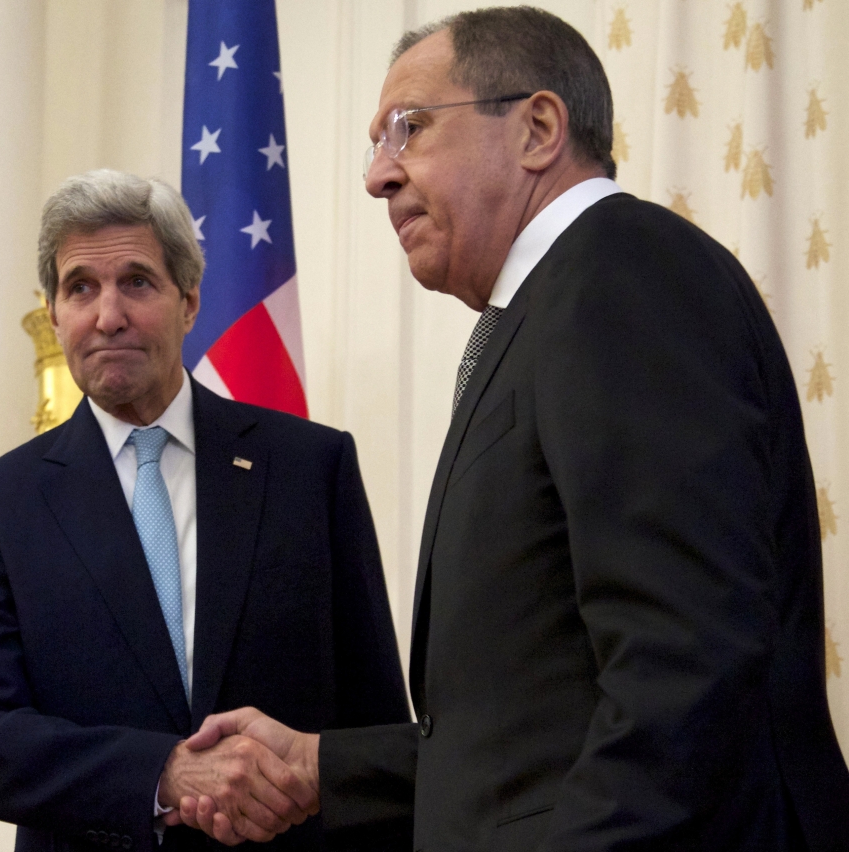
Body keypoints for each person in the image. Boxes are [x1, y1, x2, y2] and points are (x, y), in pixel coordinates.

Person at [169, 8, 849, 851]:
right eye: (377, 141)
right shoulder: (545, 310)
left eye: (407, 129)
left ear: (536, 128)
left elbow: (684, 665)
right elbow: (530, 736)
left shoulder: (622, 273)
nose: (378, 175)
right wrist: (320, 766)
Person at [0, 169, 411, 852]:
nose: (108, 315)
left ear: (189, 300)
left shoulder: (309, 468)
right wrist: (164, 773)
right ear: (56, 313)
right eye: (81, 288)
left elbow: (375, 728)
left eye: (137, 282)